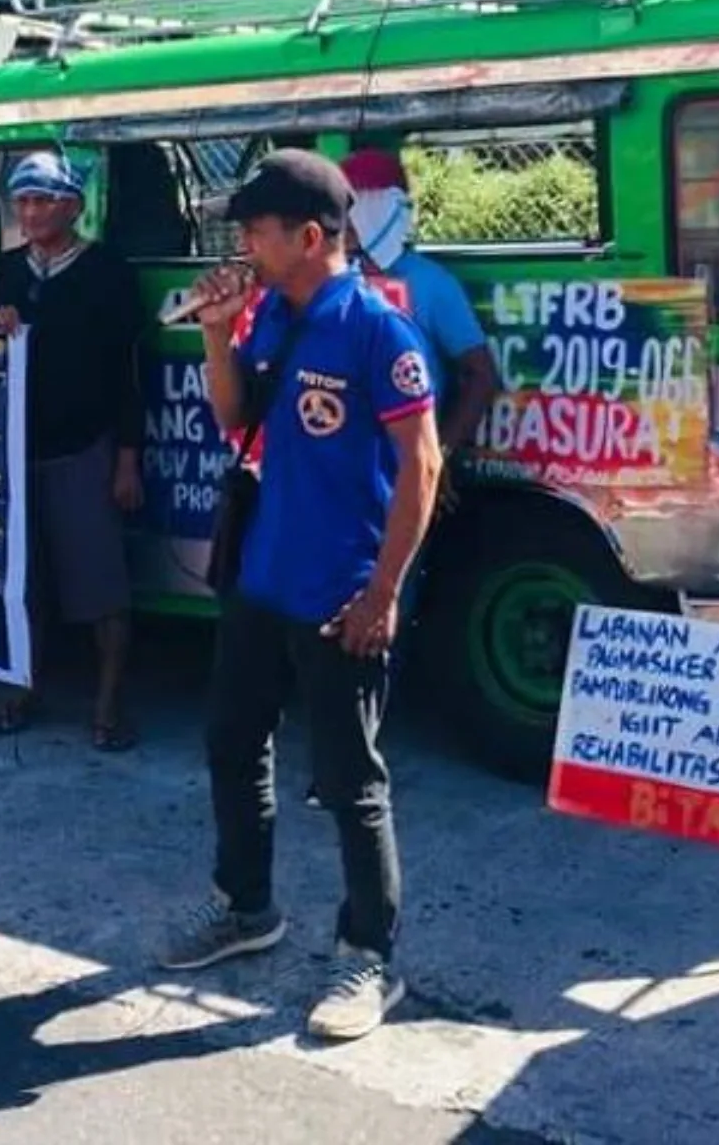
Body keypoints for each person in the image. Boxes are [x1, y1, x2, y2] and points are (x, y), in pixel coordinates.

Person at [158, 149, 442, 1044]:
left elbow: (422, 465)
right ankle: (246, 908)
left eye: (256, 229)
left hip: (338, 592)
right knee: (232, 745)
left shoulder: (376, 330)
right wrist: (215, 329)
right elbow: (238, 419)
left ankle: (370, 956)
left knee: (349, 781)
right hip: (260, 577)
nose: (242, 242)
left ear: (311, 236)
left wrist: (382, 591)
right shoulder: (269, 315)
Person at [0, 151, 148, 750]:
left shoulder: (108, 271)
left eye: (44, 200)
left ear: (73, 206)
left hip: (86, 448)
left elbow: (129, 369)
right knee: (25, 583)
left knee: (101, 585)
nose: (31, 211)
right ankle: (26, 687)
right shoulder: (5, 271)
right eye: (23, 201)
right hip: (20, 450)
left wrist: (127, 459)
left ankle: (108, 705)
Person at [340, 147, 501, 492]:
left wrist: (438, 455)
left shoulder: (429, 282)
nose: (345, 221)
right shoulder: (333, 280)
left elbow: (481, 374)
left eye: (356, 207)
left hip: (403, 471)